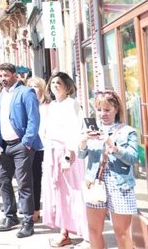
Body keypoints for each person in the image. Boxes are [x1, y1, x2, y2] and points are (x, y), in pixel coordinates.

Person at [78, 90, 139, 249]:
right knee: (94, 230)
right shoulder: (91, 129)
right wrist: (83, 141)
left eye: (107, 110)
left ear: (116, 109)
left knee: (122, 233)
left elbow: (133, 158)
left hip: (120, 185)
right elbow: (81, 154)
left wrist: (113, 145)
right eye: (99, 110)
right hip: (95, 183)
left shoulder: (128, 131)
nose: (102, 114)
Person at [0, 63, 42, 238]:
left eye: (6, 75)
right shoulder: (0, 96)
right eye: (0, 75)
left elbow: (34, 119)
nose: (3, 79)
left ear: (14, 75)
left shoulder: (26, 92)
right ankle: (10, 216)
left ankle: (28, 222)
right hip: (5, 146)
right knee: (3, 180)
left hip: (21, 145)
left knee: (24, 183)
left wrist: (27, 142)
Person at [42, 73, 88, 246]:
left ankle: (87, 235)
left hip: (67, 154)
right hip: (52, 153)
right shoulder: (52, 105)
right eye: (52, 82)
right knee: (58, 194)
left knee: (74, 194)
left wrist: (68, 155)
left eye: (58, 82)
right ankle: (64, 232)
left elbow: (75, 130)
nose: (55, 85)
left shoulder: (72, 104)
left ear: (67, 85)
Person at [26, 76, 49, 222]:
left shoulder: (48, 107)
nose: (33, 89)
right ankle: (35, 209)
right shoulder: (27, 105)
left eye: (36, 86)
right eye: (30, 86)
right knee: (34, 178)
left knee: (48, 178)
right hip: (33, 146)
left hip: (47, 146)